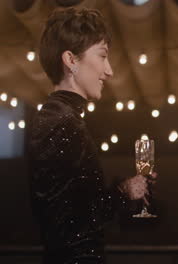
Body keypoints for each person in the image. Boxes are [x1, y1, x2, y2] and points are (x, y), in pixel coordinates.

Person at [28, 7, 154, 264]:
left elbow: (75, 204)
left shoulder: (61, 116)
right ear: (71, 60)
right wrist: (123, 192)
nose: (109, 71)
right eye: (102, 56)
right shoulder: (62, 121)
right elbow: (68, 223)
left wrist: (125, 189)